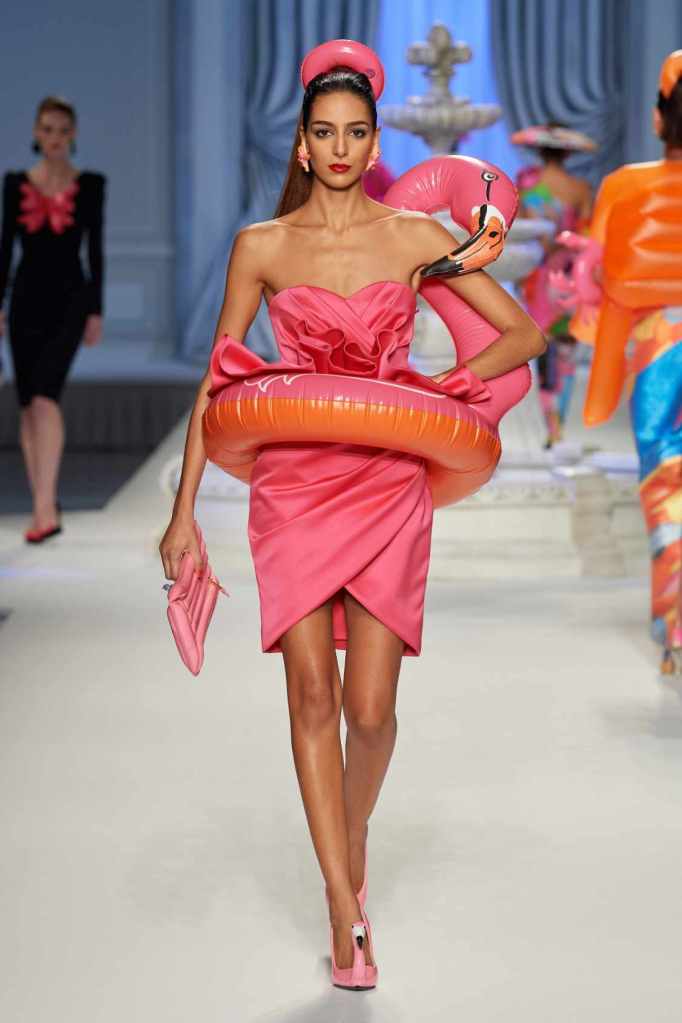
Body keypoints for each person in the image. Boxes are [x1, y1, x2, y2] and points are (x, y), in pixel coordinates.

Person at [159, 41, 544, 989]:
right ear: (302, 142)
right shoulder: (261, 246)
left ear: (374, 143)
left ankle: (351, 834)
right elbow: (219, 379)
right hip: (294, 485)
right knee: (312, 698)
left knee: (371, 715)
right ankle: (344, 906)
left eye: (356, 132)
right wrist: (183, 511)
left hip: (386, 478)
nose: (339, 147)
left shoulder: (414, 238)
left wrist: (450, 386)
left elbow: (523, 332)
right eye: (324, 132)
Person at [564, 52, 682, 676]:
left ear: (660, 119)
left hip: (660, 352)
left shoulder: (623, 187)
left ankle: (676, 627)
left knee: (666, 482)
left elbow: (595, 286)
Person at [0, 95, 106, 542]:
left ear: (73, 134)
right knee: (28, 406)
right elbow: (5, 248)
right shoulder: (15, 183)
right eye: (47, 129)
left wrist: (96, 310)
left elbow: (95, 250)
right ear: (36, 133)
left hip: (69, 302)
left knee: (46, 397)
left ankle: (45, 507)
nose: (55, 138)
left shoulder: (91, 185)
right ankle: (44, 503)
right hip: (25, 301)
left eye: (63, 130)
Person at [512, 124, 595, 446]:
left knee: (543, 349)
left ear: (539, 150)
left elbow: (519, 232)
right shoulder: (580, 189)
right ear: (567, 153)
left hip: (537, 275)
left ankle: (551, 426)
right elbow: (587, 238)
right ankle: (560, 421)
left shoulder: (526, 186)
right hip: (571, 275)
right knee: (567, 350)